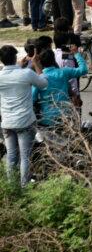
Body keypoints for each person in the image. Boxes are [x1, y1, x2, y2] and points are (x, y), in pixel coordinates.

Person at [0, 44, 48, 184]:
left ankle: (12, 188)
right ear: (15, 57)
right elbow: (43, 84)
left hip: (7, 122)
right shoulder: (26, 74)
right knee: (25, 157)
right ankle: (24, 187)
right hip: (25, 121)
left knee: (12, 156)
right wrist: (36, 64)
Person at [33, 45, 88, 128]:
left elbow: (32, 99)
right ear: (53, 60)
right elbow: (83, 70)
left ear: (40, 62)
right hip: (65, 117)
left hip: (47, 119)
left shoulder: (39, 79)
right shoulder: (64, 72)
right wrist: (76, 53)